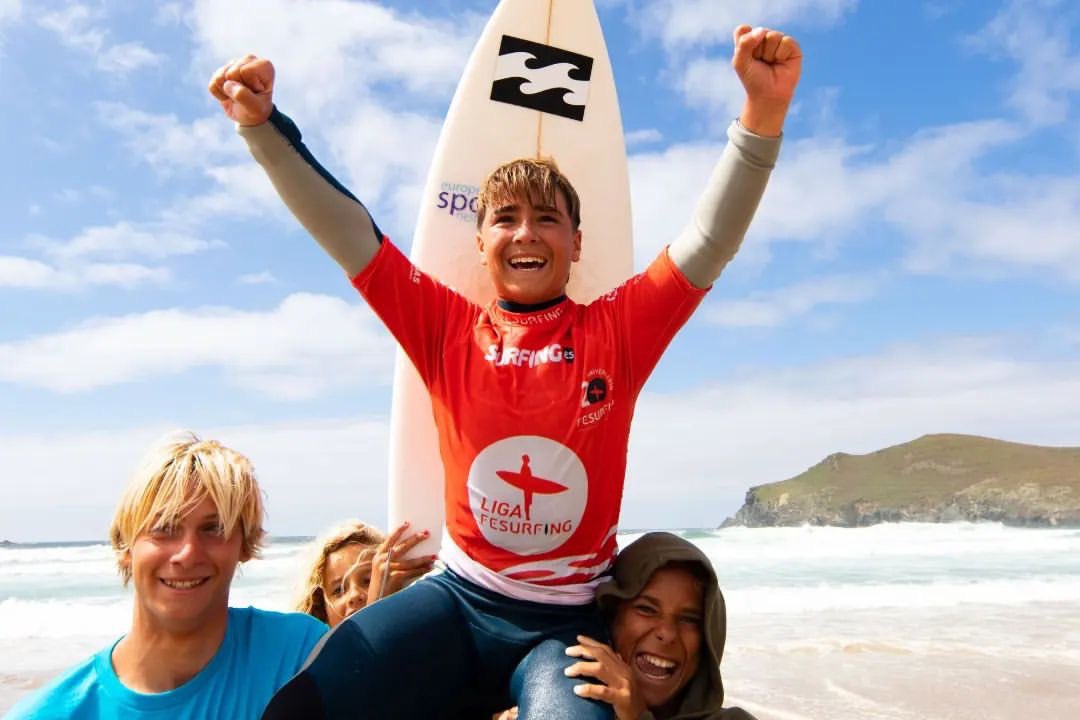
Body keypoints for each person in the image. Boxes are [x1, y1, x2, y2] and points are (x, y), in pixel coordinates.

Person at [209, 23, 801, 720]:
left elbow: (707, 244)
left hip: (560, 629)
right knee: (300, 708)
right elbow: (347, 231)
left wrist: (762, 118)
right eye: (506, 219)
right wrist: (264, 128)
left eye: (548, 219)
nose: (526, 233)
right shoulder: (445, 329)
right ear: (481, 240)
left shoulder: (617, 331)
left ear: (577, 242)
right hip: (455, 601)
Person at [4, 432, 327, 720]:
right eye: (164, 529)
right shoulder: (53, 713)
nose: (187, 553)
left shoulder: (301, 657)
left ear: (245, 545)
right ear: (125, 546)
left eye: (214, 529)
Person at [293, 520, 435, 627]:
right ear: (322, 611)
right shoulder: (319, 662)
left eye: (368, 580)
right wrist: (376, 612)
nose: (354, 595)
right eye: (339, 590)